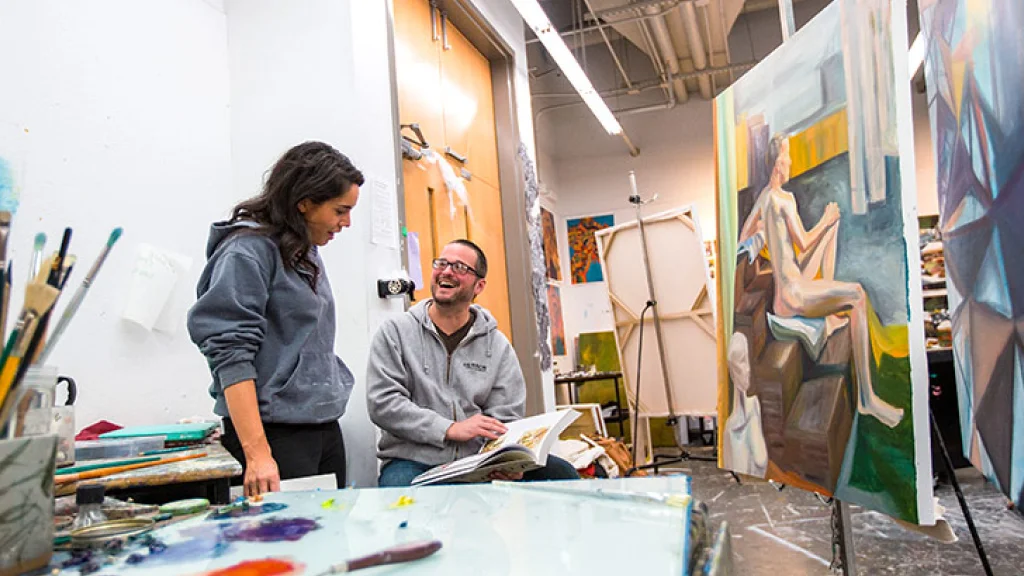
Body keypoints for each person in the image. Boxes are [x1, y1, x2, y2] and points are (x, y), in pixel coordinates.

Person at [187, 141, 363, 496]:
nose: (346, 223)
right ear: (305, 203)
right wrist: (258, 454)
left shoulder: (304, 249)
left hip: (321, 423)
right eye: (340, 210)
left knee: (327, 544)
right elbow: (231, 355)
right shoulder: (246, 252)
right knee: (286, 545)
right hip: (274, 434)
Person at [366, 239, 580, 487]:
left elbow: (506, 417)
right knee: (400, 501)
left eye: (459, 267)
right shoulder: (395, 333)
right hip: (411, 460)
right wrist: (448, 429)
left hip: (479, 459)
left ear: (479, 285)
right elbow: (384, 404)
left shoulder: (497, 346)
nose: (446, 271)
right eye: (442, 263)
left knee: (562, 474)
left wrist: (506, 462)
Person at [737, 134, 903, 428]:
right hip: (793, 296)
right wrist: (824, 220)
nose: (789, 162)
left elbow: (742, 239)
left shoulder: (764, 198)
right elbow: (803, 243)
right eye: (786, 157)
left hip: (787, 290)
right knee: (858, 294)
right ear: (777, 163)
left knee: (834, 222)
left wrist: (764, 236)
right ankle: (867, 399)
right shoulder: (784, 199)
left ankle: (829, 314)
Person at [722, 333, 767, 477]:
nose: (746, 370)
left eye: (745, 362)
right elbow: (761, 459)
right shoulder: (747, 411)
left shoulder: (752, 406)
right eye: (741, 362)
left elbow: (761, 459)